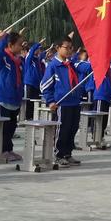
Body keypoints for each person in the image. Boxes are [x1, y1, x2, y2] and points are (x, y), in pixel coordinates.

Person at [40, 36, 83, 168]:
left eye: (71, 48)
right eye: (67, 48)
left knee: (72, 128)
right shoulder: (54, 65)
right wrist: (50, 101)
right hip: (62, 103)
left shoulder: (70, 65)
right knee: (62, 130)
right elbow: (44, 85)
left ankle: (67, 153)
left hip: (74, 102)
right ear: (58, 48)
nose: (70, 50)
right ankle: (58, 154)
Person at [0, 31, 25, 161]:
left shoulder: (18, 61)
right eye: (19, 44)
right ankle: (1, 151)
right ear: (10, 45)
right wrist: (0, 39)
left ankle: (9, 149)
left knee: (12, 126)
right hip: (4, 97)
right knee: (4, 127)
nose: (22, 47)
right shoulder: (3, 57)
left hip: (15, 98)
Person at [23, 40, 45, 120]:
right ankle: (27, 117)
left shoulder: (37, 60)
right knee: (29, 101)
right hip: (29, 83)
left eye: (39, 49)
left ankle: (33, 116)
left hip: (36, 84)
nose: (39, 50)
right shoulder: (29, 58)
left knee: (35, 102)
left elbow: (43, 54)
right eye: (38, 49)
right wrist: (38, 43)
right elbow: (32, 50)